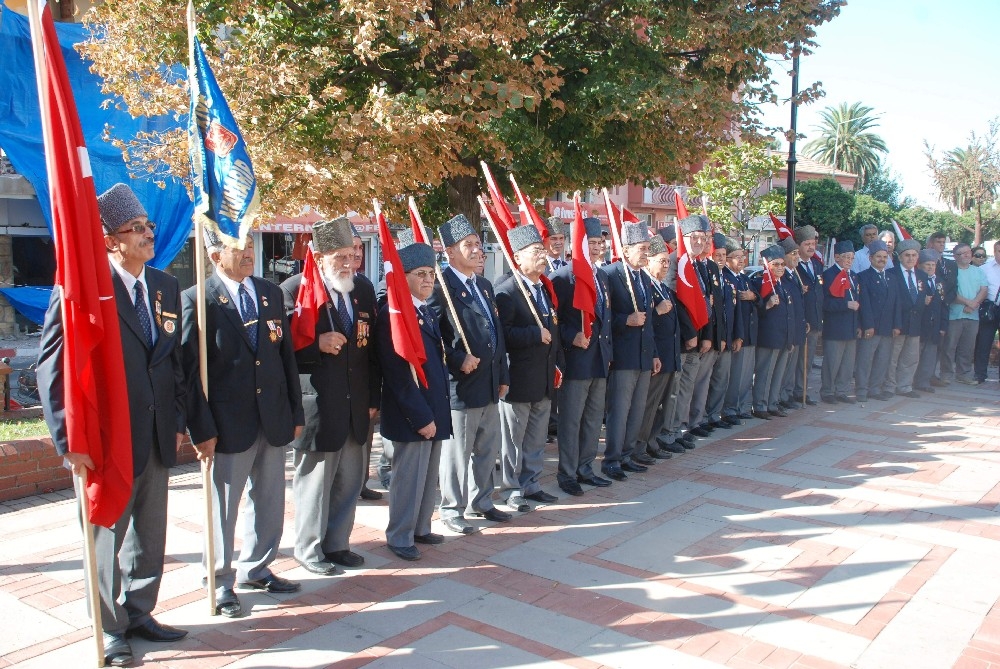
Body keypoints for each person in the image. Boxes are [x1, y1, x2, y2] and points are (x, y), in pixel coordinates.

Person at [38, 183, 192, 667]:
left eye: (149, 226)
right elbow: (53, 367)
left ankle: (139, 611)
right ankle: (108, 629)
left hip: (155, 434)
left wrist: (179, 419)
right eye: (138, 228)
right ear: (110, 239)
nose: (150, 234)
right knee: (106, 535)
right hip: (106, 441)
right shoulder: (83, 290)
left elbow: (174, 364)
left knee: (150, 533)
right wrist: (68, 439)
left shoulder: (165, 287)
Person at [183, 230, 304, 618]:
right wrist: (201, 428)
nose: (249, 253)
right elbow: (188, 374)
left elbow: (285, 358)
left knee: (268, 499)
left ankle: (257, 567)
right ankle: (219, 582)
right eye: (240, 248)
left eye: (251, 246)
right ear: (216, 256)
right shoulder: (197, 300)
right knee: (224, 508)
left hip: (271, 418)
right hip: (227, 423)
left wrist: (295, 413)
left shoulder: (268, 292)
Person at [281, 217, 379, 575]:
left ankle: (337, 543)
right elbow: (282, 350)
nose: (348, 263)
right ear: (318, 256)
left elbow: (373, 350)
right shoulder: (295, 289)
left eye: (352, 254)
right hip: (319, 405)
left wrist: (374, 398)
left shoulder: (362, 289)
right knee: (315, 485)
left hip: (357, 404)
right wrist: (314, 346)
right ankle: (308, 550)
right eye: (339, 256)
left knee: (350, 482)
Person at [429, 214, 511, 531]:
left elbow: (496, 333)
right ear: (450, 252)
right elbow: (433, 339)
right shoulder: (440, 287)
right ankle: (452, 508)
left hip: (489, 382)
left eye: (478, 244)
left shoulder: (485, 285)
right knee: (458, 454)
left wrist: (503, 374)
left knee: (486, 449)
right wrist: (456, 357)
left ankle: (483, 500)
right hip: (461, 386)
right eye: (469, 245)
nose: (478, 250)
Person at [376, 242, 453, 561]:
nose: (428, 280)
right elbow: (398, 374)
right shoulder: (393, 314)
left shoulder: (424, 310)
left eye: (432, 274)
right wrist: (421, 417)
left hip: (433, 406)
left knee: (427, 475)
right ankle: (400, 534)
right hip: (412, 413)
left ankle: (420, 526)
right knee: (408, 478)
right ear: (402, 276)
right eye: (420, 274)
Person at [495, 226, 563, 502]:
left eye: (542, 250)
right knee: (513, 440)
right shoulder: (507, 290)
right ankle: (511, 488)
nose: (543, 256)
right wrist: (535, 334)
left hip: (544, 377)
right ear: (518, 257)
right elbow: (503, 333)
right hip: (519, 377)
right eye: (536, 252)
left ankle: (531, 483)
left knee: (535, 438)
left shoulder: (542, 289)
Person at [551, 217, 615, 488]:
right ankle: (567, 473)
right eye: (592, 242)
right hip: (576, 360)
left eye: (601, 242)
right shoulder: (563, 277)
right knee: (571, 421)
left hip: (599, 358)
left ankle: (586, 467)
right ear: (579, 244)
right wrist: (571, 336)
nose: (598, 247)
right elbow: (554, 320)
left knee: (592, 419)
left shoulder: (602, 275)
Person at [603, 222, 660, 475]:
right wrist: (625, 319)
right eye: (642, 248)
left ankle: (627, 454)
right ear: (625, 250)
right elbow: (602, 317)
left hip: (644, 355)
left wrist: (655, 352)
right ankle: (612, 458)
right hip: (623, 355)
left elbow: (649, 321)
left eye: (648, 248)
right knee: (620, 409)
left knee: (637, 409)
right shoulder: (611, 274)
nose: (646, 253)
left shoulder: (644, 277)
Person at [659, 215, 712, 449]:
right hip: (679, 338)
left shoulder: (698, 264)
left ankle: (679, 427)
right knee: (675, 388)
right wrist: (690, 333)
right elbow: (676, 303)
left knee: (687, 385)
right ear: (683, 238)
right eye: (694, 237)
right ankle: (667, 432)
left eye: (703, 237)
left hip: (696, 337)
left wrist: (705, 334)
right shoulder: (674, 262)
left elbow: (705, 303)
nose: (699, 242)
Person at [637, 234, 692, 459]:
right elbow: (644, 321)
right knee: (649, 404)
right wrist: (656, 311)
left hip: (671, 355)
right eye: (662, 261)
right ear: (649, 261)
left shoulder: (664, 289)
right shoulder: (646, 286)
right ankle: (640, 445)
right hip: (656, 355)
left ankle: (652, 441)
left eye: (668, 261)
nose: (666, 265)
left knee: (662, 404)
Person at [350, 224, 383, 502]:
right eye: (353, 247)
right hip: (329, 389)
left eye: (361, 248)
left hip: (362, 381)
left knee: (364, 438)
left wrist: (375, 392)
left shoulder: (364, 285)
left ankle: (360, 482)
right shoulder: (300, 285)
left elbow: (371, 342)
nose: (358, 253)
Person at [854, 239, 901, 402]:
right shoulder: (863, 277)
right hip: (871, 327)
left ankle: (875, 389)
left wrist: (896, 325)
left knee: (882, 361)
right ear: (870, 258)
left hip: (887, 328)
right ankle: (861, 390)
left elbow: (896, 303)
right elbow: (864, 303)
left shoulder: (892, 278)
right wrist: (868, 325)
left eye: (885, 256)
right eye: (878, 257)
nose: (882, 259)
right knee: (865, 360)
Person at [751, 244, 794, 419]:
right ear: (767, 265)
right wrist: (767, 305)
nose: (780, 268)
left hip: (783, 336)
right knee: (765, 372)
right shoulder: (760, 282)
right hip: (768, 337)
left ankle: (772, 402)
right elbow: (754, 311)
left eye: (782, 264)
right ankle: (760, 405)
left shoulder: (783, 285)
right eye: (775, 264)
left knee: (777, 373)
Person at [704, 233, 740, 429]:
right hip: (710, 338)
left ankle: (714, 415)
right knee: (705, 382)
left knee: (720, 380)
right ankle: (700, 417)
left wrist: (729, 336)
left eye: (724, 255)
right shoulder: (708, 274)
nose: (721, 259)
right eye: (717, 255)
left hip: (724, 338)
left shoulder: (726, 278)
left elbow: (730, 312)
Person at [941, 242, 989, 385]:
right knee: (949, 347)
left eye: (968, 252)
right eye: (962, 253)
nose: (967, 255)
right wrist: (968, 303)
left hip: (972, 315)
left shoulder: (978, 271)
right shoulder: (951, 270)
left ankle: (964, 374)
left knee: (967, 347)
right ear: (955, 257)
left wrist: (974, 303)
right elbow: (950, 292)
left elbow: (984, 290)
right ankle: (946, 374)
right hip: (954, 315)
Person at [722, 240, 758, 424]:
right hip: (738, 333)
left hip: (749, 333)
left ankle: (741, 406)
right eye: (737, 257)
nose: (742, 260)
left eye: (743, 256)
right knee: (735, 376)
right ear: (727, 260)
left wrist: (754, 296)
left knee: (745, 376)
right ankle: (729, 409)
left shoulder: (744, 278)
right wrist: (738, 335)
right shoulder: (726, 278)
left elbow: (757, 299)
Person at [821, 241, 861, 403]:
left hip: (850, 326)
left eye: (852, 258)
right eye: (846, 257)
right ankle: (828, 391)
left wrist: (858, 325)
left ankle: (841, 390)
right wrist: (845, 304)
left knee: (847, 363)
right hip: (835, 326)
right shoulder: (829, 275)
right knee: (832, 362)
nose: (849, 261)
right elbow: (825, 303)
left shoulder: (853, 276)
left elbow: (857, 300)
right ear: (837, 257)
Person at [889, 239, 928, 397]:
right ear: (900, 257)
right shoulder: (891, 274)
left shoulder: (922, 275)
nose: (911, 258)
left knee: (911, 358)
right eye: (907, 255)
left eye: (914, 255)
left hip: (915, 324)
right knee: (892, 358)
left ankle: (905, 386)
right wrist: (895, 323)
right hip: (897, 323)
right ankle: (889, 387)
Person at [794, 225, 823, 406]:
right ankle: (789, 392)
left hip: (814, 321)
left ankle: (801, 391)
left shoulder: (817, 264)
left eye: (813, 243)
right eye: (807, 244)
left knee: (807, 361)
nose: (811, 247)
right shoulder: (794, 265)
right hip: (799, 321)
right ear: (798, 246)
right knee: (794, 361)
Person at [777, 237, 807, 411]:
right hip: (787, 329)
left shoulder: (795, 274)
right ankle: (780, 396)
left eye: (797, 253)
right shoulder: (782, 276)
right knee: (783, 367)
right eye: (793, 253)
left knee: (791, 367)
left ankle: (786, 394)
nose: (797, 257)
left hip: (797, 327)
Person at [914, 249, 949, 393]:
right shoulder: (917, 279)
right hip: (920, 325)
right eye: (927, 264)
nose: (930, 267)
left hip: (935, 325)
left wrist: (943, 326)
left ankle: (924, 382)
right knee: (915, 356)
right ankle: (910, 381)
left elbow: (944, 305)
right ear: (920, 266)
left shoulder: (939, 281)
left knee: (929, 356)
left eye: (933, 265)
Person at [973, 240, 1000, 382]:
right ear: (994, 252)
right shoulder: (985, 268)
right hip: (990, 308)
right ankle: (980, 374)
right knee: (984, 342)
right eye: (999, 251)